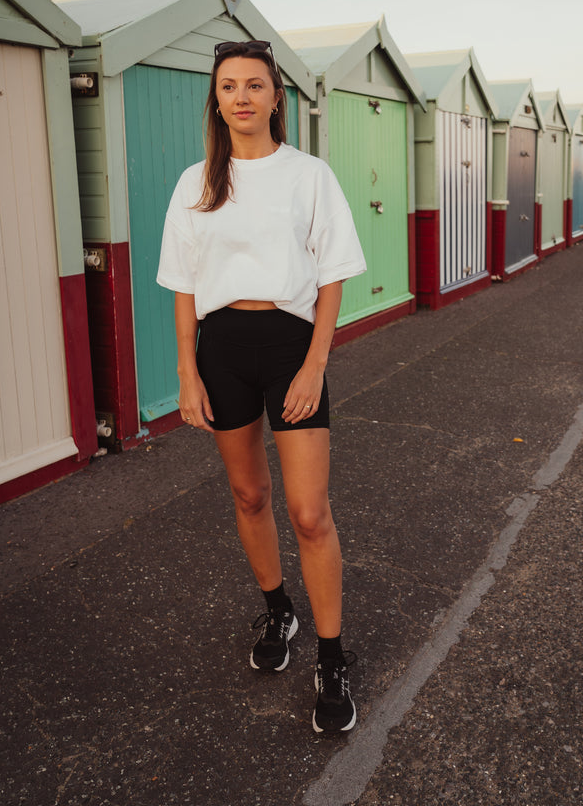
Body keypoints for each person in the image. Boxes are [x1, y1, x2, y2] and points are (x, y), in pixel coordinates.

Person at [157, 39, 366, 733]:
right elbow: (184, 288)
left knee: (310, 512)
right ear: (215, 101)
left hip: (289, 346)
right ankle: (278, 609)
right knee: (249, 494)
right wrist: (187, 373)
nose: (241, 97)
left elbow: (333, 273)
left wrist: (315, 363)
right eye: (227, 87)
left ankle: (332, 656)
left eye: (254, 85)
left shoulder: (309, 176)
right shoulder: (195, 183)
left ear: (278, 96)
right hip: (221, 349)